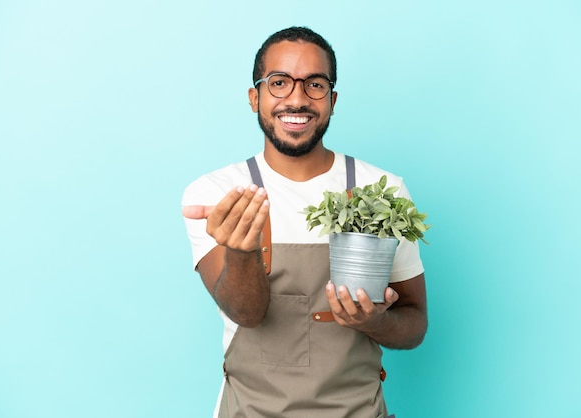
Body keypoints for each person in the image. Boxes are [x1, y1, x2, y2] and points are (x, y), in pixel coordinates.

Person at [181, 26, 427, 418]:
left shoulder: (383, 193)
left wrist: (375, 322)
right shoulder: (217, 194)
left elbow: (414, 322)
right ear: (254, 97)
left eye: (314, 84)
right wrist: (242, 251)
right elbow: (246, 314)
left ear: (332, 99)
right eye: (279, 83)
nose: (296, 99)